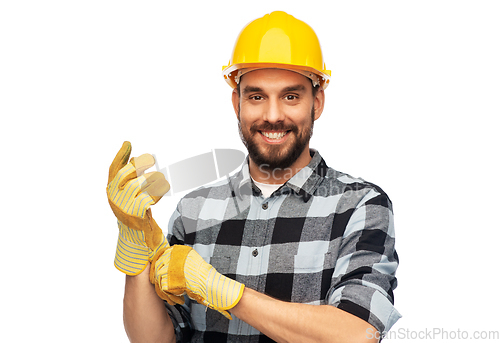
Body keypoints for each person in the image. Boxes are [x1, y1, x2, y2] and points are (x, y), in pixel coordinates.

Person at [107, 11, 401, 343]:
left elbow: (357, 335)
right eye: (257, 96)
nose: (273, 116)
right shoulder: (194, 211)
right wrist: (134, 250)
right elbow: (153, 340)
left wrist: (225, 292)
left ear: (316, 102)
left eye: (290, 96)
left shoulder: (359, 205)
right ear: (237, 103)